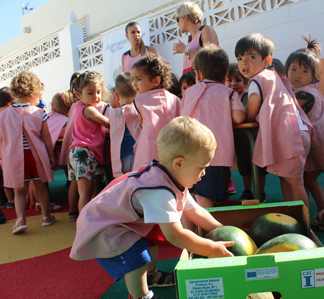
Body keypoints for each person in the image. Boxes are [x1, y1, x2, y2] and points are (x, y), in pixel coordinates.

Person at [70, 116, 234, 299]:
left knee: (155, 232)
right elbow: (176, 235)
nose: (204, 173)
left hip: (118, 220)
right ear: (178, 164)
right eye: (201, 167)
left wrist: (223, 230)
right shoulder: (159, 192)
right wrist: (210, 248)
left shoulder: (172, 178)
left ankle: (150, 275)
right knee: (136, 255)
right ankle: (140, 294)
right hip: (104, 227)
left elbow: (196, 211)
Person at [235, 33, 317, 208]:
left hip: (289, 137)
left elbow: (250, 114)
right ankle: (293, 219)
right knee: (287, 180)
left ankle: (304, 225)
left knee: (295, 184)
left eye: (251, 57)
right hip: (297, 132)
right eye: (240, 58)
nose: (244, 62)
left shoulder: (256, 81)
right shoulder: (275, 77)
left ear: (266, 60)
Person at [285, 35, 324, 231]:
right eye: (294, 69)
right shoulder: (303, 90)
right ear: (286, 71)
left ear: (313, 77)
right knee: (308, 179)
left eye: (304, 71)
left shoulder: (304, 94)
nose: (298, 74)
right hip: (319, 142)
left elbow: (286, 114)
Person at [181, 44, 246, 208]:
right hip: (213, 155)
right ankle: (209, 231)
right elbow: (239, 118)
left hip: (188, 152)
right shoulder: (228, 92)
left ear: (197, 73)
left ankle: (193, 229)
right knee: (205, 198)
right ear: (225, 77)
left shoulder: (188, 93)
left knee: (190, 197)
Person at [0, 71, 56, 234]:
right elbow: (46, 135)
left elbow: (1, 139)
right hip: (35, 155)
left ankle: (21, 219)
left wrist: (2, 158)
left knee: (19, 189)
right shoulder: (39, 112)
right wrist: (51, 155)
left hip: (15, 157)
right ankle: (46, 216)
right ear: (33, 93)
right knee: (41, 186)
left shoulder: (3, 115)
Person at [68, 71, 110, 212]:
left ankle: (81, 219)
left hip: (76, 151)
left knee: (84, 191)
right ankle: (84, 225)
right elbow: (109, 123)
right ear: (78, 95)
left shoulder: (78, 108)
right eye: (90, 93)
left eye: (98, 92)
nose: (96, 96)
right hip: (84, 152)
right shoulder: (89, 110)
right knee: (85, 193)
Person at [225, 63, 268, 202]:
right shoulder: (225, 97)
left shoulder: (247, 97)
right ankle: (248, 191)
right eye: (229, 80)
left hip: (253, 139)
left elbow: (243, 117)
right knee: (244, 168)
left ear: (245, 82)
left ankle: (260, 192)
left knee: (259, 167)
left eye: (237, 80)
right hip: (238, 140)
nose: (233, 84)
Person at [131, 53, 181, 171]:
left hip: (149, 150)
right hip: (172, 149)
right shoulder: (175, 99)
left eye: (138, 79)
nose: (135, 84)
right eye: (134, 79)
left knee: (146, 179)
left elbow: (142, 123)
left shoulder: (140, 99)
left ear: (156, 80)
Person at [173, 1, 219, 74]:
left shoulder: (206, 30)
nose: (178, 24)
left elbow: (210, 59)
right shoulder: (190, 39)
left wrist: (184, 49)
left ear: (186, 17)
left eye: (177, 20)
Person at [110, 72, 141, 178]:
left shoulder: (113, 114)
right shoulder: (138, 109)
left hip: (121, 159)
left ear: (116, 95)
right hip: (138, 156)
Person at [0, 87, 15, 210]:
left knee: (5, 178)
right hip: (10, 150)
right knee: (14, 175)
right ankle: (22, 199)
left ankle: (10, 200)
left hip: (2, 152)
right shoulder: (10, 114)